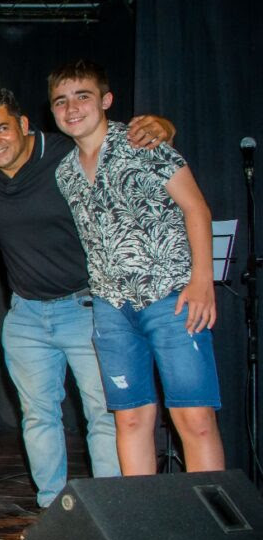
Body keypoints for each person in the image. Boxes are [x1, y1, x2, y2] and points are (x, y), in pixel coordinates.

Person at [0, 87, 176, 508]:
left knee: (104, 416)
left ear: (25, 125)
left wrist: (164, 127)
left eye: (2, 128)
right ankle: (53, 509)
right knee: (39, 417)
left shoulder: (66, 152)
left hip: (86, 308)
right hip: (25, 314)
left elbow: (129, 141)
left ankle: (108, 514)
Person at [50, 60, 224, 475]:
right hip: (111, 308)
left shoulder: (144, 143)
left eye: (83, 96)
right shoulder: (65, 172)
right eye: (61, 101)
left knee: (194, 420)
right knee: (129, 419)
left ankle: (211, 530)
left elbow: (196, 207)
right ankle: (141, 527)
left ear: (106, 100)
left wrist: (202, 281)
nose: (72, 108)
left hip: (172, 298)